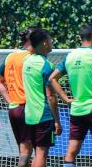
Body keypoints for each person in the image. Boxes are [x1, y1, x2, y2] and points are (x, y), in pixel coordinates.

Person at [50, 23, 92, 167]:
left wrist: (66, 99)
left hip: (76, 111)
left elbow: (52, 78)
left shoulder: (70, 56)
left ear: (80, 37)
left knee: (71, 153)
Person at [22, 28, 60, 167]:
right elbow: (50, 96)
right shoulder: (47, 65)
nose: (51, 43)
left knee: (36, 153)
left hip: (30, 115)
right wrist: (57, 121)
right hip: (43, 115)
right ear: (45, 43)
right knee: (41, 153)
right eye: (50, 40)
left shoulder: (27, 62)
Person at [0, 29, 33, 167]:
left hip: (14, 109)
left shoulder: (10, 57)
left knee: (23, 150)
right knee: (30, 151)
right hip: (27, 107)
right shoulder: (30, 57)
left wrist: (10, 101)